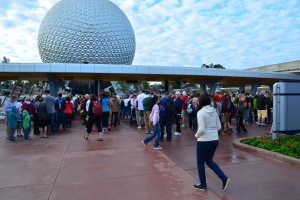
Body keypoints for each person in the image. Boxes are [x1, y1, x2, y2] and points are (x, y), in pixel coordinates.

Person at [194, 95, 230, 192]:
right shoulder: (214, 111)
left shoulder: (200, 112)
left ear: (200, 102)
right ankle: (223, 178)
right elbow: (218, 126)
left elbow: (201, 129)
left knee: (200, 163)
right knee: (209, 161)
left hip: (203, 140)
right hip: (214, 139)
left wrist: (196, 136)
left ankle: (203, 184)